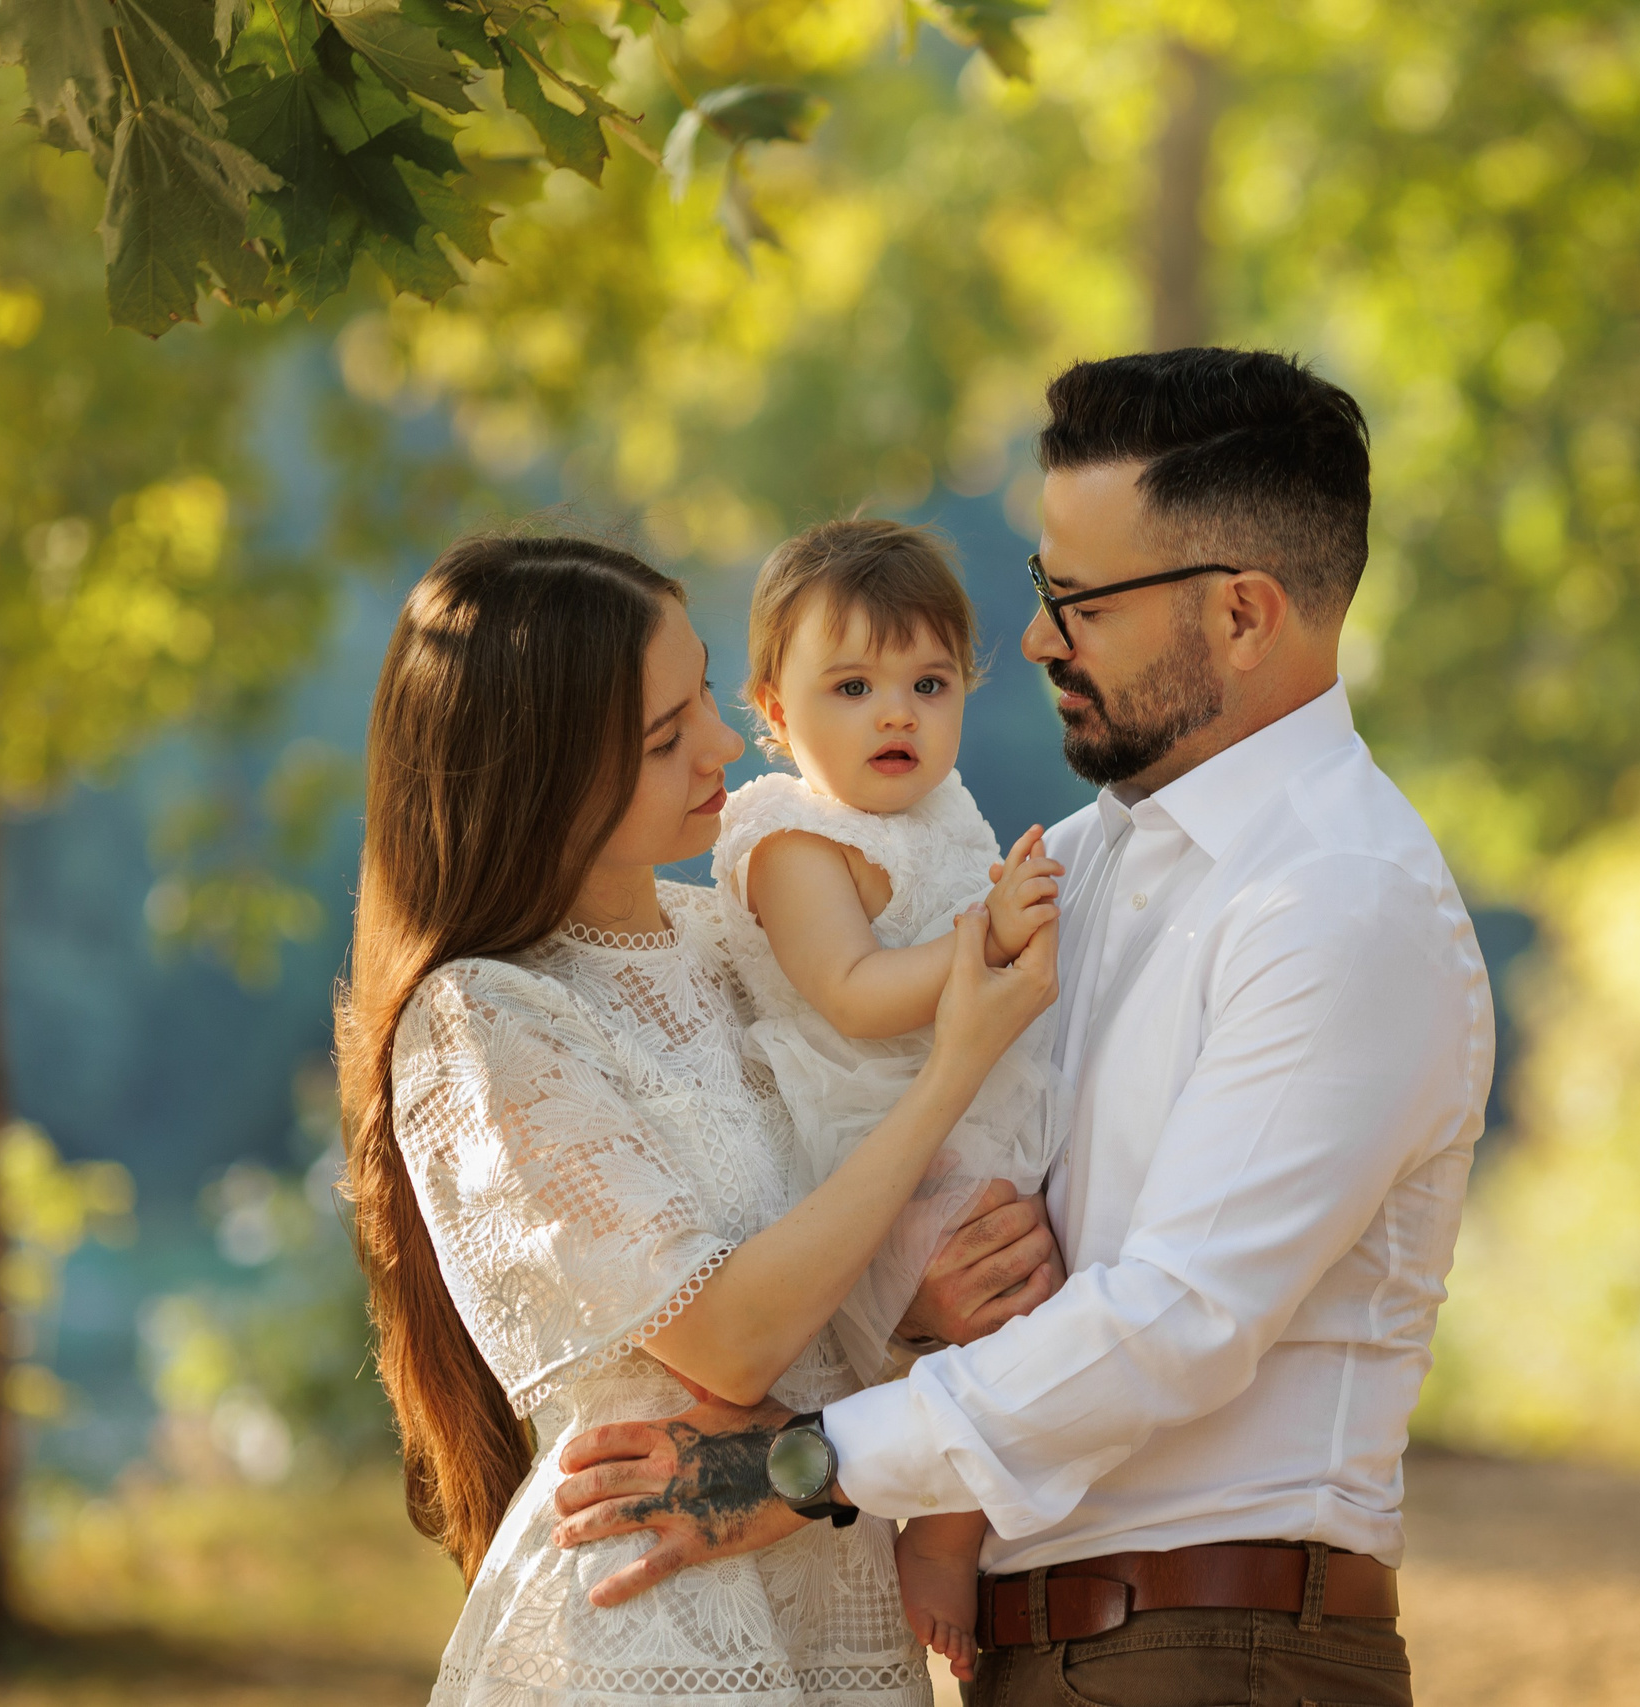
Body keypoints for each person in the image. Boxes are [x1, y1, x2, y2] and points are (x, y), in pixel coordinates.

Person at [547, 348, 1496, 1707]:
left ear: (1243, 614)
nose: (1041, 640)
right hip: (1040, 1648)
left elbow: (1177, 1317)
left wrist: (807, 1460)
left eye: (1082, 603)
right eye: (1048, 592)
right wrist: (924, 1302)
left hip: (1215, 1649)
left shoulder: (1339, 900)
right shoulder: (1080, 866)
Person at [334, 535, 1057, 1707]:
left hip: (830, 1567)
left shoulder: (743, 935)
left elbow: (829, 1258)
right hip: (653, 1616)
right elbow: (731, 1340)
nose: (725, 743)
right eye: (666, 737)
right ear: (546, 776)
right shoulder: (485, 1020)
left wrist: (920, 1301)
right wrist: (954, 1069)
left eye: (707, 696)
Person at [711, 517, 1072, 1678]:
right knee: (1007, 1304)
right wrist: (985, 936)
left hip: (965, 1110)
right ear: (775, 711)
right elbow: (856, 991)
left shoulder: (942, 813)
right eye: (852, 686)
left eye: (928, 683)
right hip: (865, 1137)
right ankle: (944, 1538)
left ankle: (952, 1515)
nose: (896, 714)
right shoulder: (789, 838)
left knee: (1040, 1282)